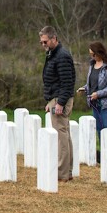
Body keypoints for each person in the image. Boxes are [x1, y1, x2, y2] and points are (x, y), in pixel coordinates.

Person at [39, 25, 76, 182]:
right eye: (41, 42)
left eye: (45, 41)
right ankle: (66, 172)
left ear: (54, 38)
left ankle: (62, 173)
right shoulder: (53, 54)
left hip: (61, 99)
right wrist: (50, 101)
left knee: (61, 136)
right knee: (64, 135)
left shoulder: (61, 56)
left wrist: (59, 103)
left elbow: (67, 82)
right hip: (56, 99)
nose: (43, 45)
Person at [77, 41, 107, 165]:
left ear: (99, 53)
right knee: (100, 130)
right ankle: (106, 157)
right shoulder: (92, 66)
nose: (92, 57)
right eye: (90, 55)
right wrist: (85, 88)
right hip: (96, 104)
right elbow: (93, 83)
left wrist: (98, 94)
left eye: (93, 55)